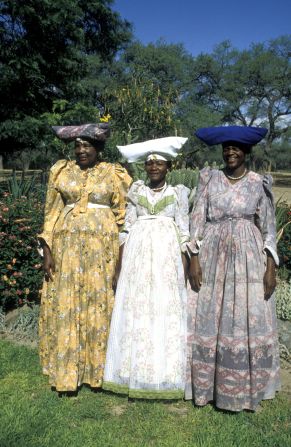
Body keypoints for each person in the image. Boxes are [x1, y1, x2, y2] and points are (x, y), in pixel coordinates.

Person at [186, 125, 281, 412]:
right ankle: (209, 387)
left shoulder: (257, 183)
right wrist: (193, 258)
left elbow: (268, 227)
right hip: (213, 256)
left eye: (236, 147)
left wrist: (270, 267)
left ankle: (244, 387)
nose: (230, 152)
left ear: (246, 151)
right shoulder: (209, 179)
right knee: (211, 314)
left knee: (244, 316)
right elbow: (196, 220)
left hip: (248, 261)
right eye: (226, 147)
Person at [38, 123, 132, 392]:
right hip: (66, 248)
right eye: (77, 146)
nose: (81, 150)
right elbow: (51, 213)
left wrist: (122, 255)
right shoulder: (61, 171)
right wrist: (47, 250)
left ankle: (100, 371)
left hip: (101, 251)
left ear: (98, 148)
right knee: (68, 301)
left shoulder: (114, 173)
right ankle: (69, 372)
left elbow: (124, 215)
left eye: (87, 146)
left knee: (98, 300)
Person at [103, 136, 190, 399]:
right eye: (150, 163)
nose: (154, 167)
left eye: (159, 163)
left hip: (166, 258)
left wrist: (185, 266)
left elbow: (184, 232)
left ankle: (165, 374)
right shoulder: (136, 191)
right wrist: (119, 265)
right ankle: (134, 372)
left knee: (164, 307)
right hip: (138, 259)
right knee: (138, 308)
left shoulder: (179, 193)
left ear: (168, 168)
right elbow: (126, 229)